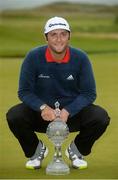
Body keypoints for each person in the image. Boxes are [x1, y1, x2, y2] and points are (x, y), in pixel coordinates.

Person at [6, 16, 110, 170]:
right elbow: (24, 91)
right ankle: (36, 151)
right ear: (46, 37)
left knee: (100, 117)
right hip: (42, 114)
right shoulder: (33, 57)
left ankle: (76, 151)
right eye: (53, 34)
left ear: (69, 36)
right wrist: (42, 107)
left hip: (71, 115)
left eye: (63, 34)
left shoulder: (81, 58)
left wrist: (68, 111)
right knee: (15, 115)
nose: (59, 39)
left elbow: (89, 93)